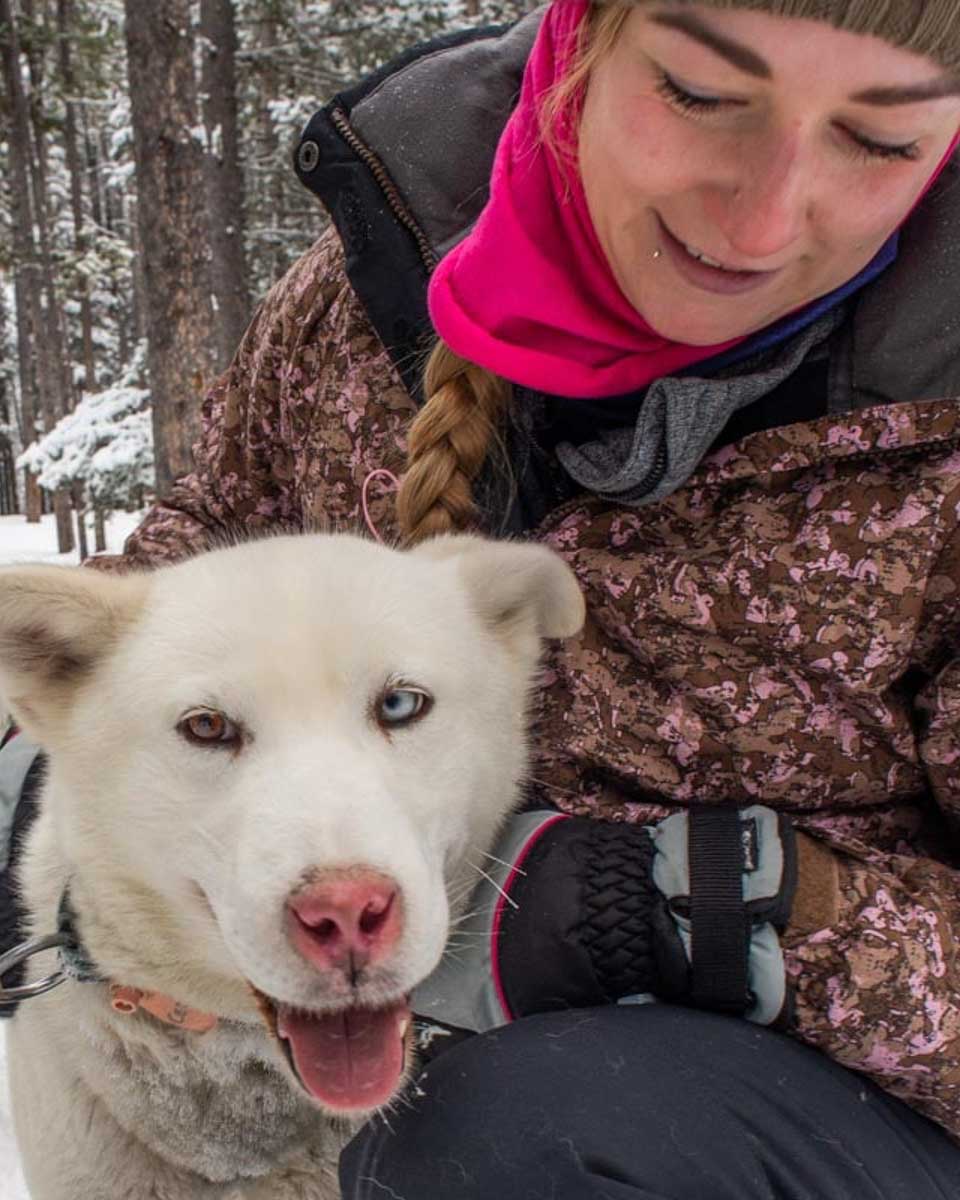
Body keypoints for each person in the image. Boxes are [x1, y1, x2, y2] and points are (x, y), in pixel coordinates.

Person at [5, 1, 960, 1195]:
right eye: (703, 94)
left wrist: (715, 917)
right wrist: (50, 756)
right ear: (579, 51)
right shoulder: (364, 290)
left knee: (516, 1136)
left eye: (879, 141)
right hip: (335, 1021)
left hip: (801, 1112)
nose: (764, 215)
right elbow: (203, 540)